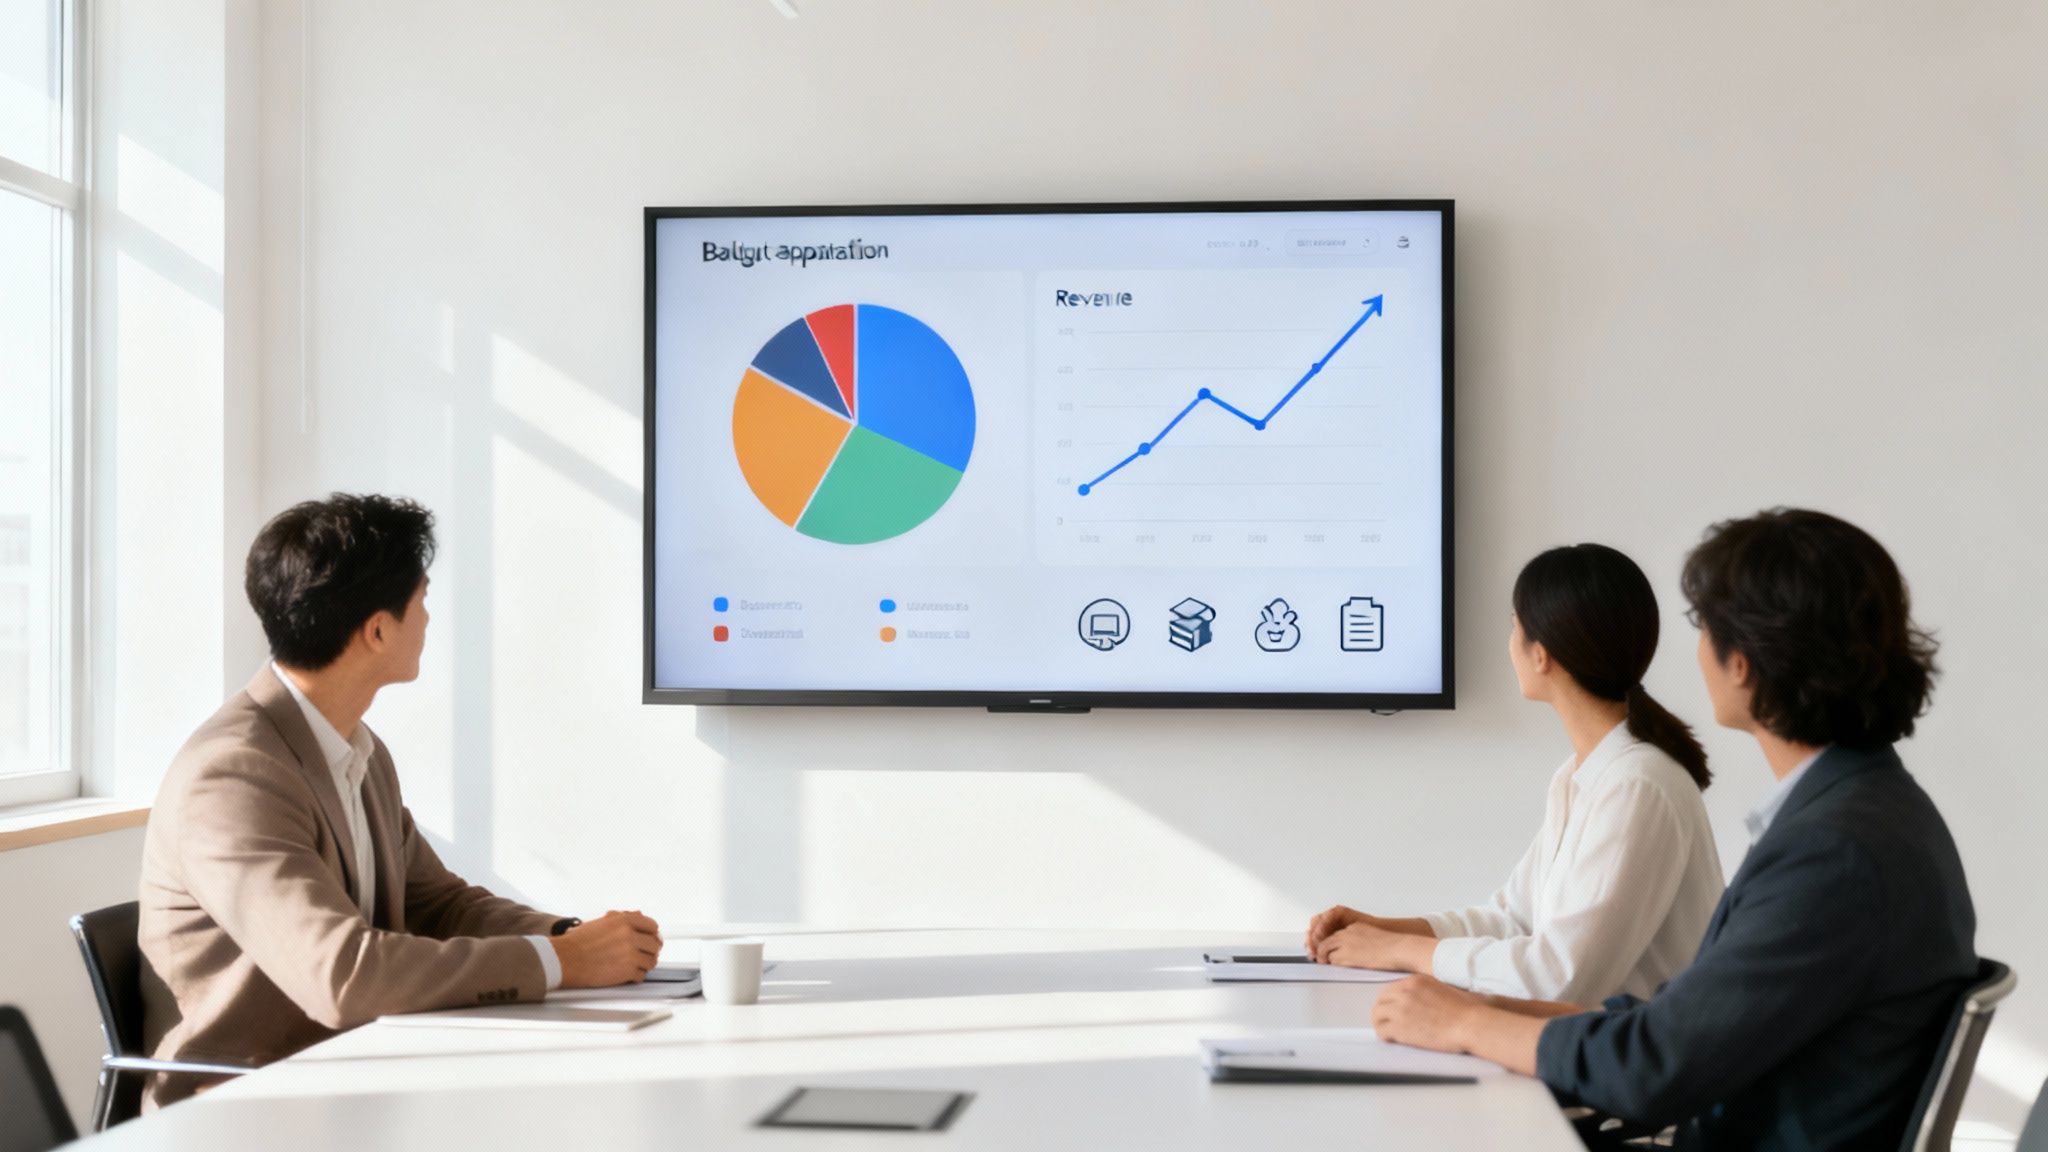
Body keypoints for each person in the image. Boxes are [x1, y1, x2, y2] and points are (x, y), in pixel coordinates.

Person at [1371, 508, 1975, 1151]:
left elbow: (1655, 1067)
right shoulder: (1864, 812)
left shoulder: (1834, 851)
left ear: (1740, 661)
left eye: (1703, 626)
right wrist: (1491, 1011)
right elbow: (1679, 1024)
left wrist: (1469, 1025)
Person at [139, 495, 663, 1109]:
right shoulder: (234, 776)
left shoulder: (355, 748)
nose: (430, 620)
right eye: (422, 601)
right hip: (249, 1108)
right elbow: (343, 976)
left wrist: (571, 936)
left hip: (360, 1075)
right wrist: (560, 961)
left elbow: (436, 903)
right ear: (379, 630)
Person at [1306, 544, 1724, 1004]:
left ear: (1541, 654)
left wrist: (1404, 951)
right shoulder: (1580, 776)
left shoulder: (1637, 785)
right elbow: (1512, 920)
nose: (1509, 645)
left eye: (1513, 628)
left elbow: (1558, 980)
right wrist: (1382, 930)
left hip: (1637, 1065)